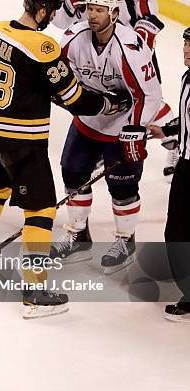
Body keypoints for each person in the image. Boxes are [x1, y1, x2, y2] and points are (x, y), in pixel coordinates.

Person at [0, 0, 130, 319]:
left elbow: (26, 76)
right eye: (51, 13)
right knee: (40, 211)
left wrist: (42, 88)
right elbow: (75, 99)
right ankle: (35, 292)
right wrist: (110, 104)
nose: (52, 18)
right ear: (41, 12)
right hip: (21, 142)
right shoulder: (43, 46)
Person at [51, 0, 164, 274]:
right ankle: (78, 235)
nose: (92, 15)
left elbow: (150, 94)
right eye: (90, 9)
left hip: (121, 127)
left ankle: (125, 241)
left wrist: (135, 130)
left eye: (99, 10)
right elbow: (57, 74)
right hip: (88, 121)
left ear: (114, 14)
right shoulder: (74, 37)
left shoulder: (131, 47)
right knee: (72, 173)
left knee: (122, 187)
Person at [53, 0, 178, 180]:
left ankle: (174, 143)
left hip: (127, 48)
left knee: (144, 99)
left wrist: (138, 41)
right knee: (100, 98)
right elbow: (60, 22)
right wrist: (71, 5)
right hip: (88, 47)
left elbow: (150, 17)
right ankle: (102, 147)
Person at [147, 27, 190, 323]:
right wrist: (169, 130)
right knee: (177, 232)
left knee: (179, 233)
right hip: (186, 166)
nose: (185, 49)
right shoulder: (188, 77)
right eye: (186, 42)